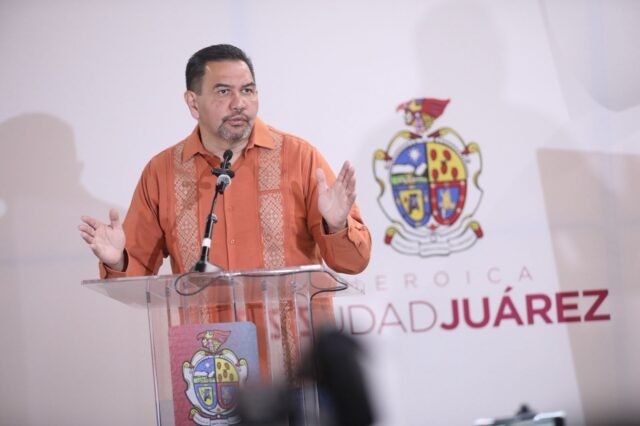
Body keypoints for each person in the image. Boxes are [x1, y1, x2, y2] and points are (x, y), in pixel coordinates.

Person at [78, 44, 371, 277]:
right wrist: (117, 261)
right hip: (206, 338)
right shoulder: (161, 173)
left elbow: (353, 263)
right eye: (223, 91)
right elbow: (136, 271)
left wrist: (336, 226)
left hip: (292, 334)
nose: (239, 103)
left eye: (247, 90)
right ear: (193, 103)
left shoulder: (300, 158)